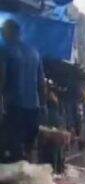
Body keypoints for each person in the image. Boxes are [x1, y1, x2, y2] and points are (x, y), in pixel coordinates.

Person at [0, 19, 46, 162]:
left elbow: (1, 78)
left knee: (11, 148)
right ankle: (29, 177)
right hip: (34, 107)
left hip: (14, 106)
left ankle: (15, 178)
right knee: (29, 148)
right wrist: (43, 106)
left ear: (7, 32)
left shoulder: (5, 50)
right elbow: (41, 83)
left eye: (2, 32)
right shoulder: (35, 52)